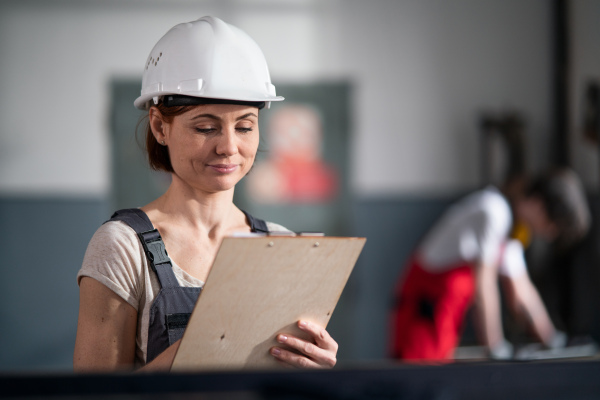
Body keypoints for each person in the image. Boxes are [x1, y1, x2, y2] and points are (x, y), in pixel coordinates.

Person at [73, 16, 338, 372]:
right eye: (206, 127)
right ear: (159, 126)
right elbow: (93, 396)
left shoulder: (282, 245)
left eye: (245, 126)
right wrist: (205, 348)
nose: (229, 147)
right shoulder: (122, 246)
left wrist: (315, 370)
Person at [389, 168, 591, 361]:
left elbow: (522, 293)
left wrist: (552, 340)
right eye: (552, 224)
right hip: (424, 308)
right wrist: (494, 346)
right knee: (416, 380)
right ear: (537, 204)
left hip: (446, 314)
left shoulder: (512, 229)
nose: (549, 234)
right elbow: (484, 285)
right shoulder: (493, 211)